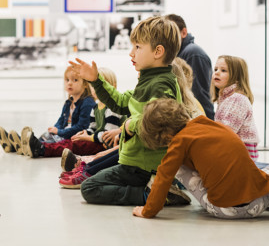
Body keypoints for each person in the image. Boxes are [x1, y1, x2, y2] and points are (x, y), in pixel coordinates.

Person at [69, 15, 187, 206]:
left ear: (158, 51)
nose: (131, 53)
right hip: (136, 163)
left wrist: (133, 124)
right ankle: (155, 190)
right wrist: (96, 79)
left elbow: (163, 122)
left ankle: (151, 194)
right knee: (91, 181)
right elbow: (121, 102)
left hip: (145, 167)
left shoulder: (161, 84)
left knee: (89, 188)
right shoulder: (149, 79)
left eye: (138, 47)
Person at [132, 99, 269, 219]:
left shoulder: (178, 142)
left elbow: (163, 177)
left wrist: (148, 211)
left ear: (167, 137)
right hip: (259, 202)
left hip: (224, 210)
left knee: (177, 167)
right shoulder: (211, 125)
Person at [58, 58, 200, 189]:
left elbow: (146, 128)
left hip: (152, 163)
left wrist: (126, 128)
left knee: (98, 169)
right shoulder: (144, 93)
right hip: (131, 152)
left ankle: (84, 167)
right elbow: (121, 108)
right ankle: (86, 167)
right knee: (111, 151)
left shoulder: (165, 97)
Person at [22, 68, 123, 159]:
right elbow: (93, 128)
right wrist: (85, 133)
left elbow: (108, 137)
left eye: (101, 85)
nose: (96, 89)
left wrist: (88, 137)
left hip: (105, 145)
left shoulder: (112, 107)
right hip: (96, 139)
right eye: (93, 85)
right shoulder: (96, 107)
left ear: (113, 86)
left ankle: (42, 149)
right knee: (72, 141)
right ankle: (35, 146)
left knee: (74, 146)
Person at [0, 65, 96, 154]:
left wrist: (59, 132)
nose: (69, 83)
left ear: (85, 83)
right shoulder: (68, 102)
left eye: (75, 80)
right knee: (46, 135)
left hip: (72, 137)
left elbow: (81, 127)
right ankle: (17, 145)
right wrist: (55, 129)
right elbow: (61, 120)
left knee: (48, 142)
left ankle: (23, 144)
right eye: (67, 80)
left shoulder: (87, 102)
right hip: (63, 134)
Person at [210, 55, 260, 160]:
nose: (217, 72)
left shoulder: (237, 99)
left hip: (241, 157)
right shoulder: (226, 99)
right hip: (234, 153)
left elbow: (227, 132)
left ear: (236, 77)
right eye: (215, 69)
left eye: (223, 70)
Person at [165, 14, 215, 119]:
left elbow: (197, 94)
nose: (165, 38)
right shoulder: (177, 53)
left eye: (171, 32)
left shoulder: (193, 53)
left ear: (183, 32)